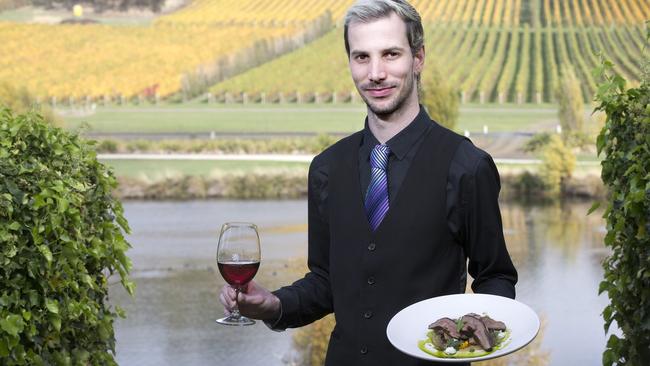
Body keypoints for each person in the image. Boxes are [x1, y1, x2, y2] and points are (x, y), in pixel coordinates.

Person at [219, 1, 518, 365]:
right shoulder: (326, 169)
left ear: (418, 58)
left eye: (390, 54)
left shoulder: (467, 166)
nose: (376, 73)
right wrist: (273, 305)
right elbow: (327, 283)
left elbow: (496, 277)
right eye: (362, 57)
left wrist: (470, 336)